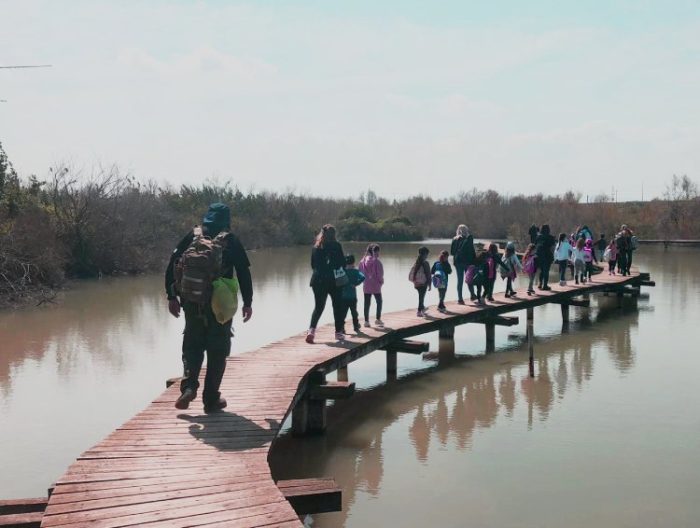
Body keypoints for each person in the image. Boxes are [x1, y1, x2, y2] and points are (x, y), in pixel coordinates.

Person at [165, 203, 253, 413]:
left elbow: (172, 265)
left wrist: (171, 297)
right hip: (219, 305)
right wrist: (248, 302)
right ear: (227, 220)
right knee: (217, 350)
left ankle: (189, 387)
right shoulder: (230, 240)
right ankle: (211, 398)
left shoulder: (193, 236)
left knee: (192, 346)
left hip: (192, 302)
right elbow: (243, 272)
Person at [307, 224, 347, 343]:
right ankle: (338, 333)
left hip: (317, 280)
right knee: (337, 306)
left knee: (318, 307)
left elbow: (313, 265)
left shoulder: (316, 247)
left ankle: (311, 331)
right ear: (334, 235)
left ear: (322, 234)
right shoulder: (336, 246)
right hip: (333, 280)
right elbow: (342, 264)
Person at [358, 244, 384, 327]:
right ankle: (378, 319)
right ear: (375, 252)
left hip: (366, 285)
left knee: (367, 303)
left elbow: (360, 273)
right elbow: (380, 275)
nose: (379, 253)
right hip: (376, 285)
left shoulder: (362, 261)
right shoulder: (377, 262)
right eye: (378, 252)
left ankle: (366, 321)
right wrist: (381, 282)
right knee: (379, 301)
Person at [450, 225, 476, 303]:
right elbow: (472, 250)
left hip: (457, 262)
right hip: (467, 262)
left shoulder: (454, 239)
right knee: (469, 278)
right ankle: (472, 295)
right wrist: (474, 261)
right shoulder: (469, 238)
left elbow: (452, 252)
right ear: (466, 230)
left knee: (460, 280)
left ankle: (460, 299)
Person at [341, 254, 365, 334]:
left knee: (343, 313)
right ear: (353, 262)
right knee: (354, 312)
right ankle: (355, 326)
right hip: (352, 297)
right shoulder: (355, 271)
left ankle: (342, 328)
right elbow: (363, 277)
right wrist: (356, 284)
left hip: (343, 296)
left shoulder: (343, 271)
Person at [409, 246, 431, 317]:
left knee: (421, 296)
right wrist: (430, 285)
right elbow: (428, 275)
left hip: (417, 284)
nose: (427, 256)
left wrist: (415, 282)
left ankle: (422, 308)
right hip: (423, 284)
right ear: (424, 254)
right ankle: (419, 311)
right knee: (421, 297)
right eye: (427, 254)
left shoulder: (416, 262)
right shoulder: (425, 263)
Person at [535, 224, 556, 290]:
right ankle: (545, 285)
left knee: (541, 270)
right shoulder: (550, 237)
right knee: (546, 271)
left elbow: (535, 245)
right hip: (547, 256)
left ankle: (540, 284)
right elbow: (553, 247)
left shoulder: (538, 237)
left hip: (539, 256)